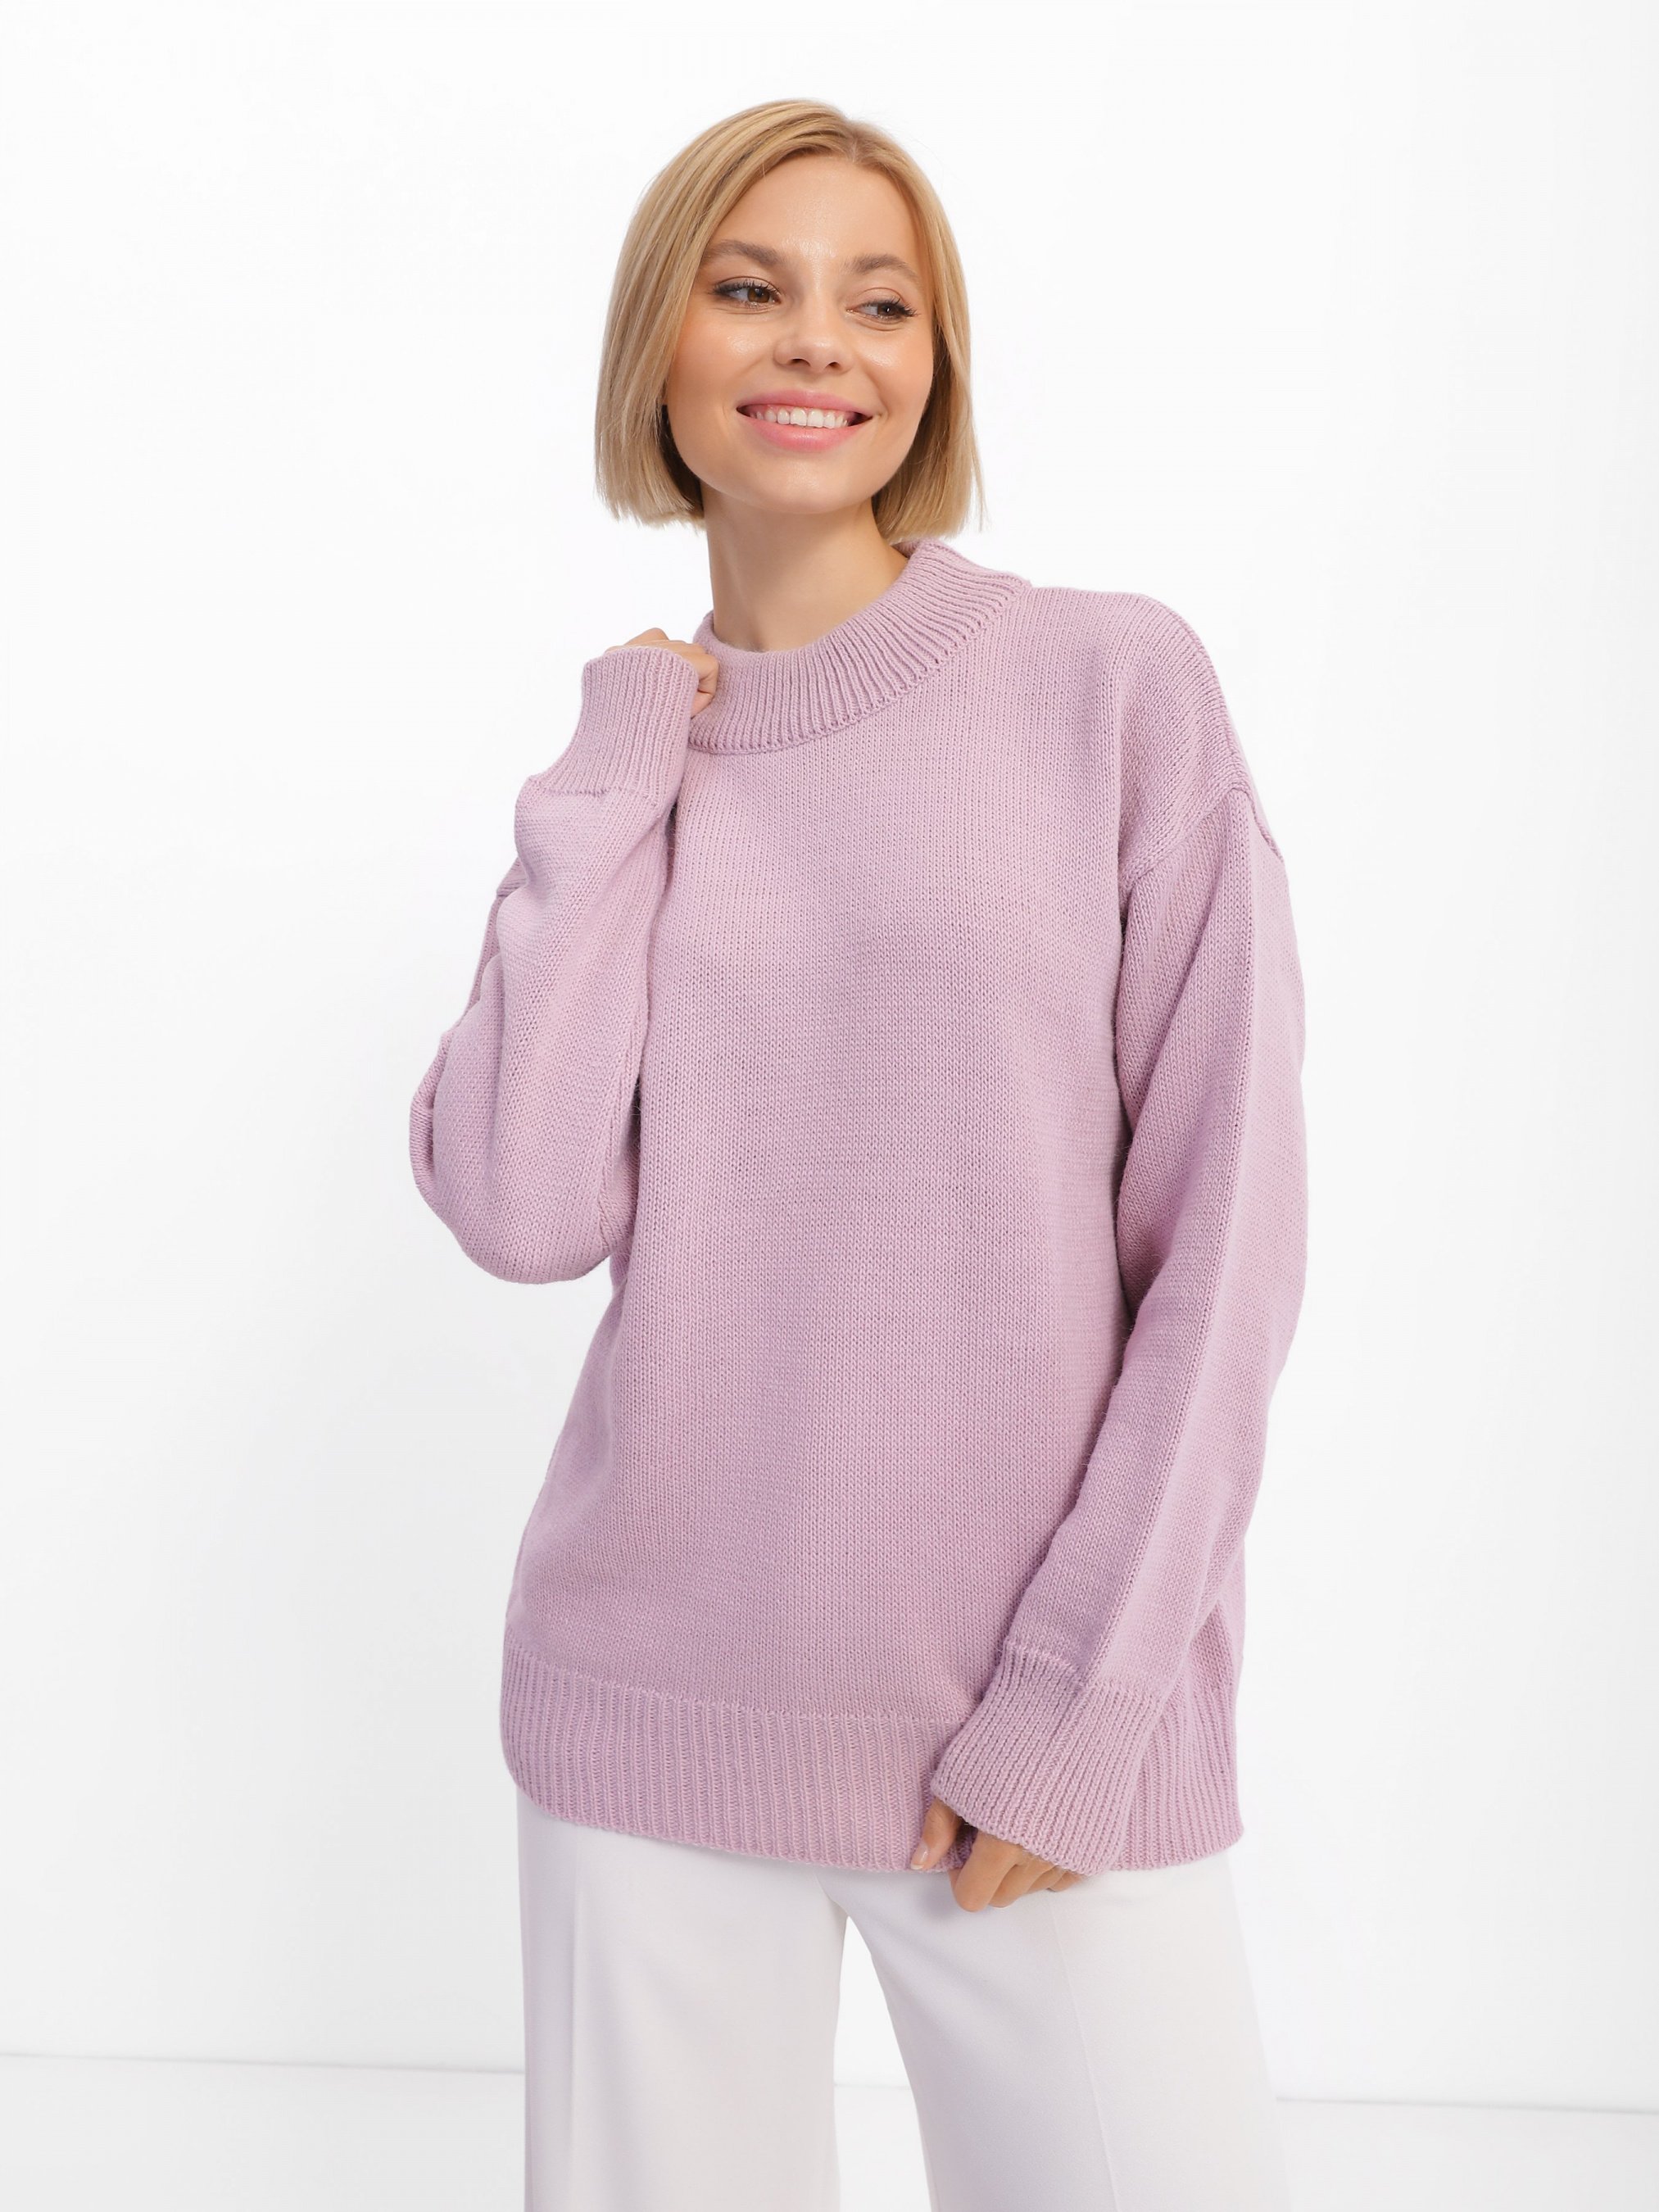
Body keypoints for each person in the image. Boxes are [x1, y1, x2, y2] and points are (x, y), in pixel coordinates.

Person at [410, 97, 1308, 2212]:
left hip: (1032, 1733)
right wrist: (617, 768)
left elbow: (1228, 1239)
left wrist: (1081, 1703)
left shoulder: (1108, 687)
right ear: (659, 345)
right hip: (650, 1710)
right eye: (752, 287)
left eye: (878, 302)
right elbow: (523, 1207)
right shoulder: (631, 765)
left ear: (934, 366)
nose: (818, 339)